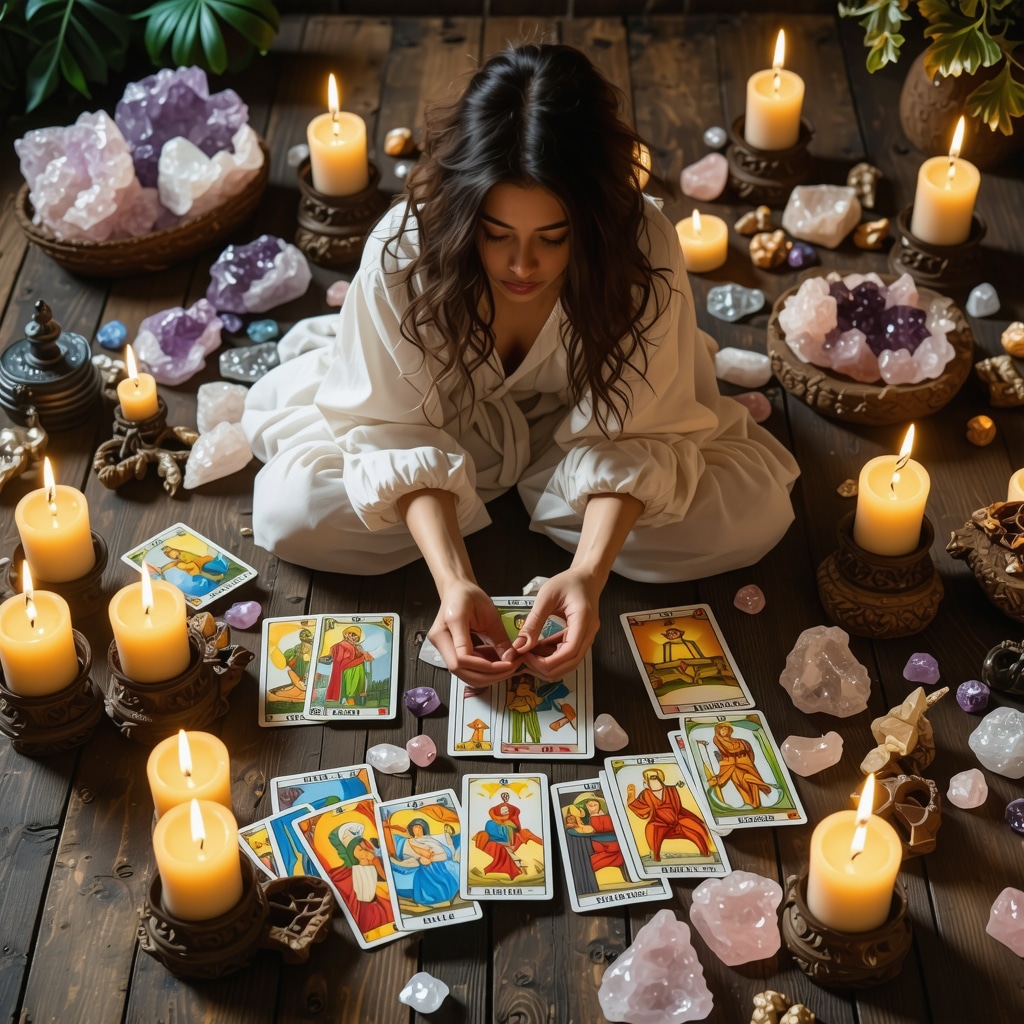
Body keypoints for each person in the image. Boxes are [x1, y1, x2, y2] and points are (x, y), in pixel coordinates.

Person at [243, 44, 799, 686]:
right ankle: (493, 509)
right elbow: (394, 431)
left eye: (554, 237)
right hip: (438, 427)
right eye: (496, 233)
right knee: (294, 511)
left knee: (751, 515)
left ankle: (538, 510)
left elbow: (641, 431)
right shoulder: (404, 248)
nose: (521, 266)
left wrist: (589, 573)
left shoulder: (641, 242)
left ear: (593, 219)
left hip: (592, 439)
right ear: (461, 210)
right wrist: (453, 580)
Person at [627, 767, 711, 858]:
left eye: (652, 778)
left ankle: (705, 852)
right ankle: (656, 856)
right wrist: (631, 801)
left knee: (695, 829)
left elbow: (677, 806)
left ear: (660, 779)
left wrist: (672, 819)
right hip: (659, 821)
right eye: (646, 779)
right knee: (651, 829)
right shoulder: (646, 794)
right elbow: (643, 809)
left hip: (677, 818)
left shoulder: (671, 790)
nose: (647, 781)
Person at [707, 723, 773, 808]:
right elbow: (730, 750)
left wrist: (749, 761)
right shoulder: (717, 739)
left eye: (726, 729)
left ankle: (756, 801)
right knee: (740, 783)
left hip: (745, 762)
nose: (724, 731)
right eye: (722, 729)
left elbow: (749, 751)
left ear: (729, 731)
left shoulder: (740, 741)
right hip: (731, 764)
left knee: (751, 781)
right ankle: (751, 801)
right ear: (718, 731)